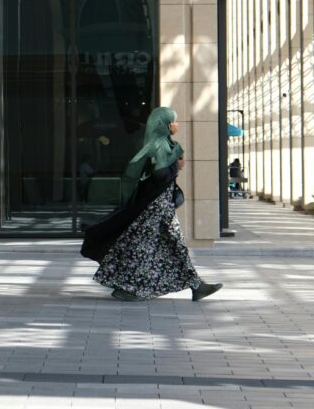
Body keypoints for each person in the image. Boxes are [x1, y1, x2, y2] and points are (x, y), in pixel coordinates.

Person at [81, 107, 223, 302]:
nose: (176, 125)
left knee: (155, 246)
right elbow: (159, 175)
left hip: (159, 205)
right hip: (157, 207)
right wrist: (175, 166)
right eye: (173, 121)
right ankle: (132, 288)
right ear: (164, 124)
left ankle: (195, 286)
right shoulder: (160, 145)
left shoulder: (161, 143)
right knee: (153, 246)